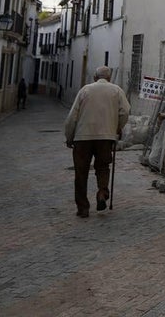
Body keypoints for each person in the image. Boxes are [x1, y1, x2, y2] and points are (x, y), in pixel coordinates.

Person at [63, 66, 130, 218]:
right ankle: (102, 192)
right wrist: (117, 127)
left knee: (81, 172)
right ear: (109, 78)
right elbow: (125, 111)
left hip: (83, 138)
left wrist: (69, 136)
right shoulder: (116, 90)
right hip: (106, 137)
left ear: (95, 77)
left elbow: (72, 117)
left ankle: (83, 208)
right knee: (103, 167)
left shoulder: (85, 90)